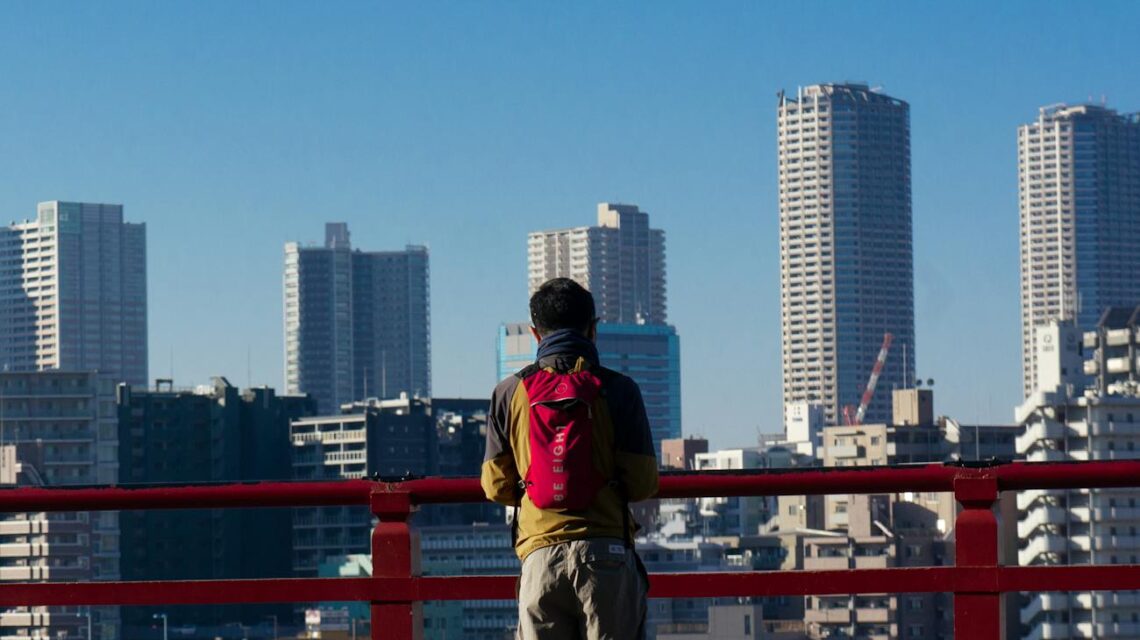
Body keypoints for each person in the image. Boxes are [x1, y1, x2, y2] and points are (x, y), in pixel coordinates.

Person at [481, 277, 659, 640]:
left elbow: (495, 486)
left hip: (540, 559)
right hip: (606, 555)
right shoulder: (620, 389)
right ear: (593, 330)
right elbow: (642, 482)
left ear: (535, 334)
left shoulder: (508, 392)